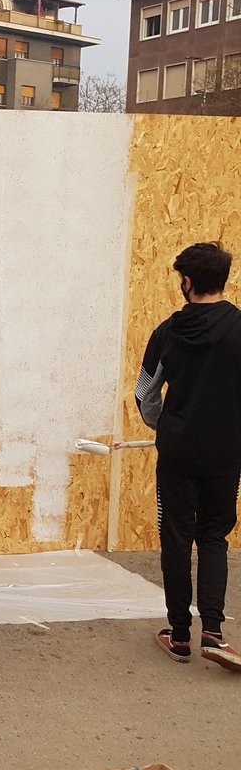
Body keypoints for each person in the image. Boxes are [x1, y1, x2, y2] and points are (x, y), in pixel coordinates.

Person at [136, 242, 241, 672]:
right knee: (214, 536)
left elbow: (145, 393)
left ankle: (179, 635)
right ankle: (213, 632)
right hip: (227, 452)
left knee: (176, 537)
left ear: (187, 281)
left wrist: (166, 427)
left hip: (178, 452)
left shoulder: (167, 332)